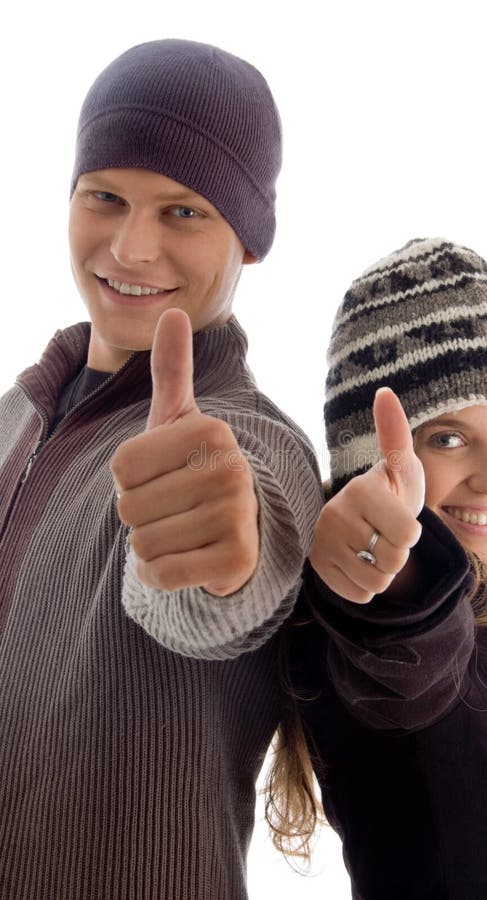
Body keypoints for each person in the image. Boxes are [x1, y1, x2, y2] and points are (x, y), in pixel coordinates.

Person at [0, 39, 322, 900]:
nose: (132, 248)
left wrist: (222, 557)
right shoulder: (16, 414)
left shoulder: (253, 444)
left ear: (248, 243)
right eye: (105, 197)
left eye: (183, 212)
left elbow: (224, 582)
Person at [282, 238, 487, 898]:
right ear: (371, 459)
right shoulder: (367, 617)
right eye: (447, 439)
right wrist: (390, 578)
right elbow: (404, 656)